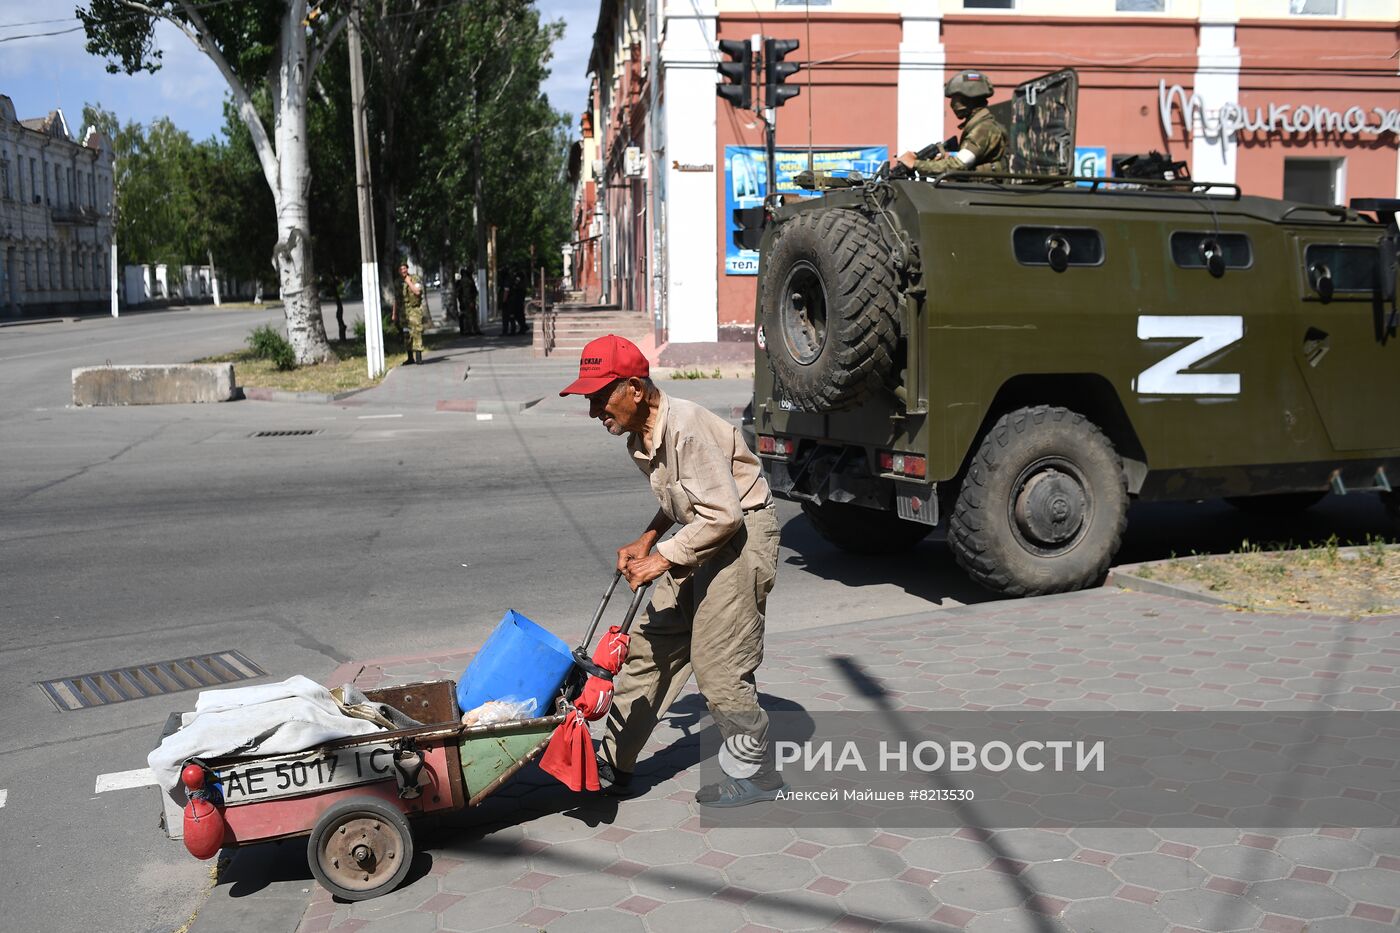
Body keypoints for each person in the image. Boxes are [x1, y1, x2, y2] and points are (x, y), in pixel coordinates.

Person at [559, 335, 785, 808]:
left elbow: (724, 515)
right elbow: (686, 498)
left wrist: (661, 558)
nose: (595, 410)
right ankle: (613, 764)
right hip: (700, 535)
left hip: (740, 538)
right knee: (650, 648)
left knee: (719, 663)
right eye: (590, 399)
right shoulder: (640, 438)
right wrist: (648, 537)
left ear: (635, 389)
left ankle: (757, 774)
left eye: (602, 397)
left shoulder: (685, 428)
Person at [892, 69, 1008, 176]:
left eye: (955, 99)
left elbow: (959, 165)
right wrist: (935, 163)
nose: (952, 104)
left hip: (982, 193)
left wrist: (915, 163)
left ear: (968, 99)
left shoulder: (983, 128)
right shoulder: (978, 125)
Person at [396, 263, 424, 364]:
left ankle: (419, 358)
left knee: (417, 332)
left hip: (414, 310)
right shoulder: (398, 283)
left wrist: (409, 282)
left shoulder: (414, 278)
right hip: (404, 312)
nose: (403, 271)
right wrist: (394, 314)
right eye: (401, 269)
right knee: (406, 334)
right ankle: (410, 357)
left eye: (404, 268)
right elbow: (397, 299)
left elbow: (417, 292)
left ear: (407, 269)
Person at [456, 267, 481, 336]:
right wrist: (470, 301)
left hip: (468, 300)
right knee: (469, 315)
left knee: (472, 315)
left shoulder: (466, 280)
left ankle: (473, 329)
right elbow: (467, 293)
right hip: (467, 300)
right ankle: (469, 330)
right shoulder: (465, 281)